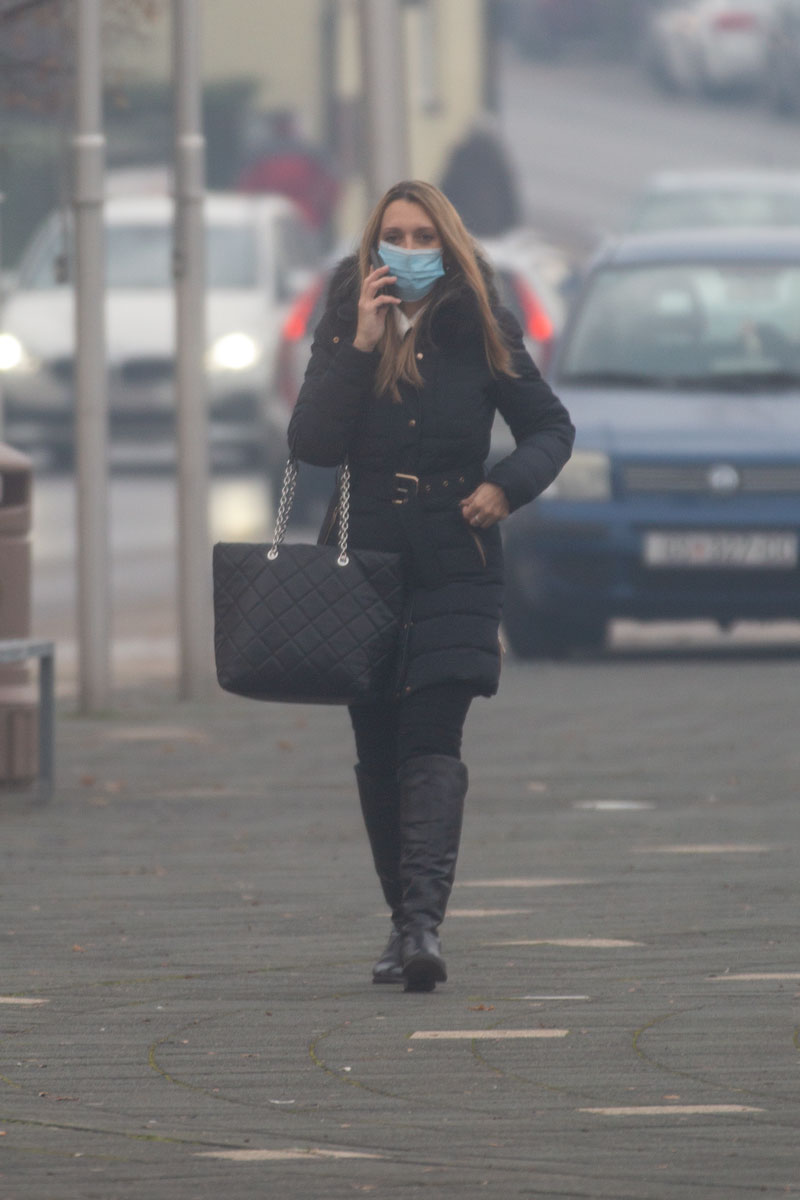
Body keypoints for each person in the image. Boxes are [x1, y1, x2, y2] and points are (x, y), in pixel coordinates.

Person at [288, 180, 575, 993]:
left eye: (424, 238)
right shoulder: (345, 321)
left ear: (447, 247)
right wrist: (359, 343)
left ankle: (422, 927)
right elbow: (311, 443)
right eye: (396, 236)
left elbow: (550, 426)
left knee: (431, 739)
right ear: (372, 245)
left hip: (457, 559)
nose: (409, 251)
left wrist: (505, 487)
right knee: (378, 750)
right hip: (362, 564)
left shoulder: (481, 323)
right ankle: (400, 921)